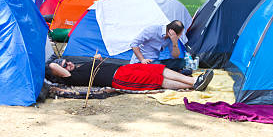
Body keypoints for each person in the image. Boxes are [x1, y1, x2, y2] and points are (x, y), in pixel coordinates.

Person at [46, 54, 214, 91]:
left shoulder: (78, 66)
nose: (68, 64)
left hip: (123, 68)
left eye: (67, 62)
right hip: (118, 78)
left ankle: (192, 81)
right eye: (64, 65)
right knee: (154, 79)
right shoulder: (69, 78)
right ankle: (193, 84)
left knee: (157, 68)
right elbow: (54, 67)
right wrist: (54, 64)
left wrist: (96, 59)